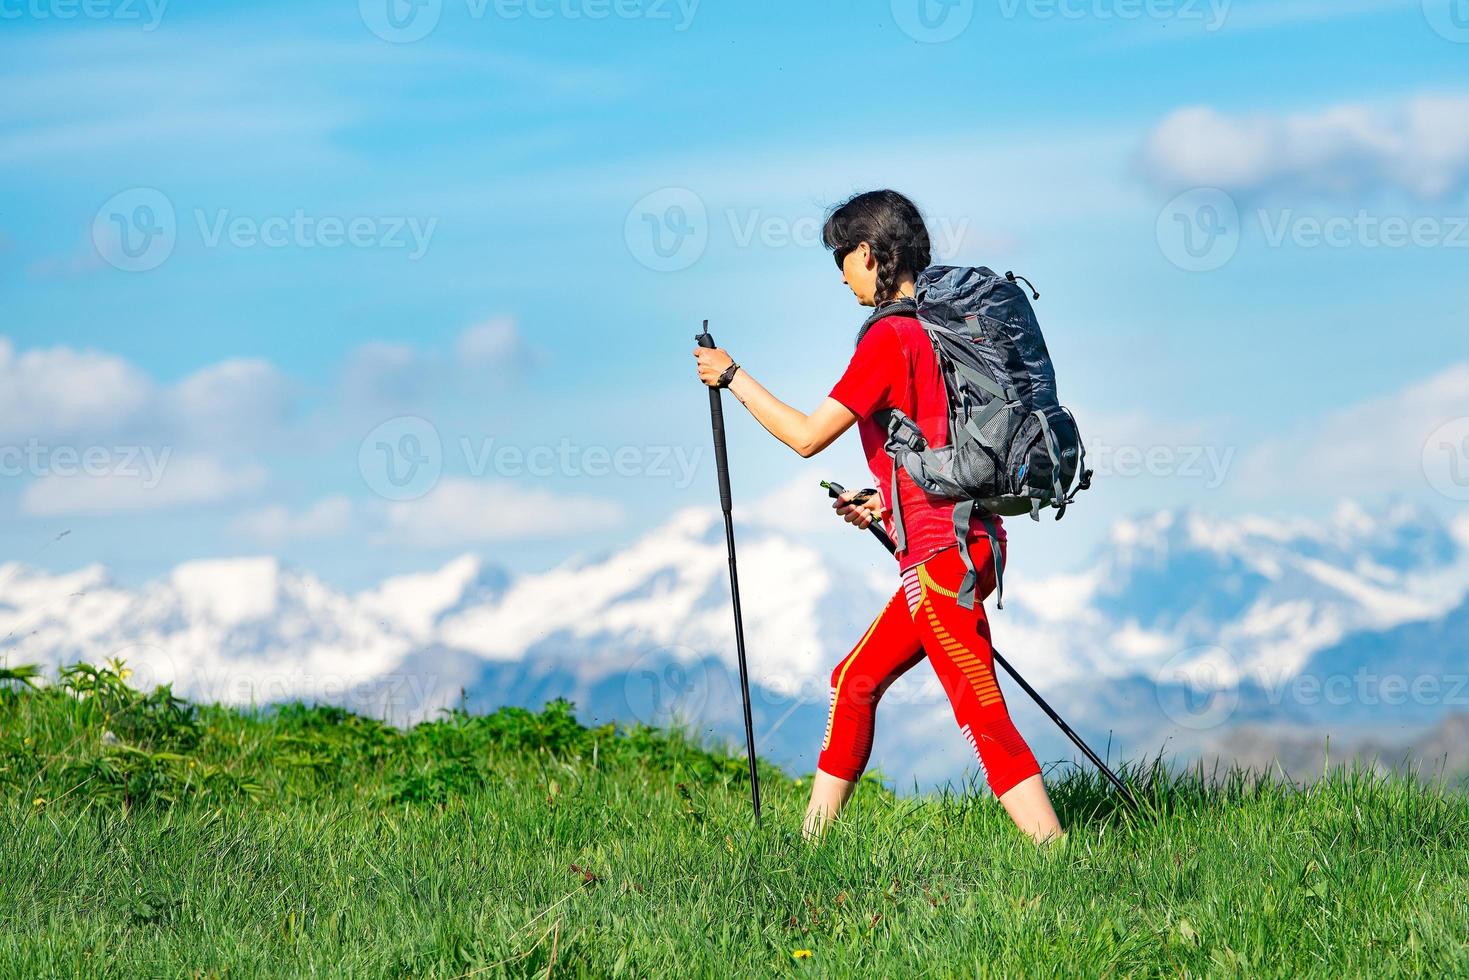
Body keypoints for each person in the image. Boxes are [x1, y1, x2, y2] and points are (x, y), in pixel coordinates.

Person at [692, 189, 1063, 844]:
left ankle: (1056, 855)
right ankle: (809, 846)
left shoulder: (890, 339)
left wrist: (732, 377)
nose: (841, 276)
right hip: (969, 538)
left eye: (843, 258)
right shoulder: (942, 333)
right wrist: (881, 502)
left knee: (980, 710)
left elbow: (807, 436)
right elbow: (935, 445)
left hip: (939, 558)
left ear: (869, 253)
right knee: (855, 679)